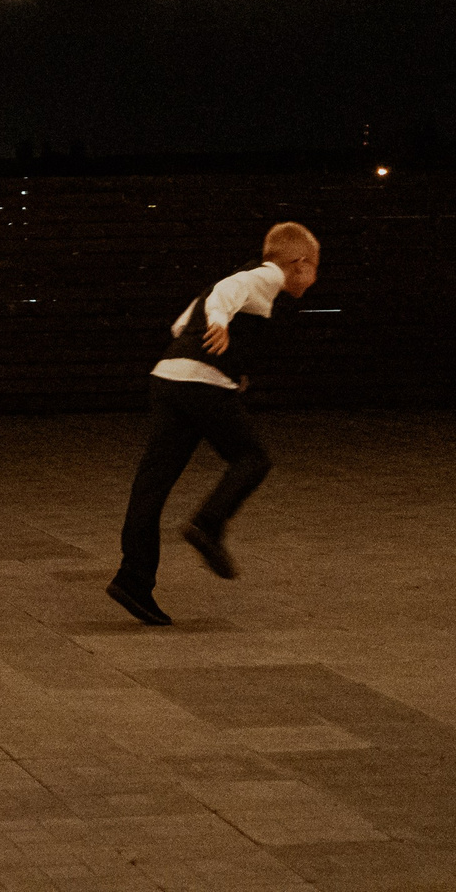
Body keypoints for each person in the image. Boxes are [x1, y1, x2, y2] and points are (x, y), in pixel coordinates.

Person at [107, 220, 321, 626]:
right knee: (253, 458)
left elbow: (179, 324)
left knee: (152, 484)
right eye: (314, 268)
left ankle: (132, 579)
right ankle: (208, 525)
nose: (313, 278)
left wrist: (231, 360)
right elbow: (225, 296)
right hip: (201, 383)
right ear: (298, 263)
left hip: (169, 378)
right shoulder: (266, 275)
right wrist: (220, 323)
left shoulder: (245, 278)